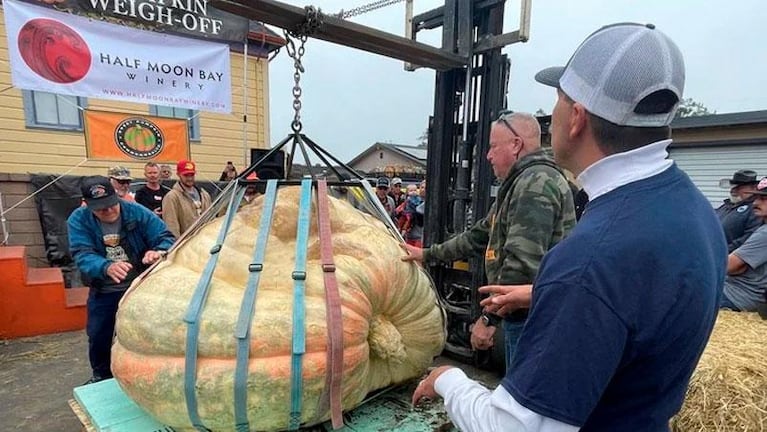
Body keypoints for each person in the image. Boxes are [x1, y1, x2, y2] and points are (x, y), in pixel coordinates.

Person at [413, 23, 726, 431]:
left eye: (558, 99)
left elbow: (517, 427)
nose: (551, 115)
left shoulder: (590, 260)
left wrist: (450, 381)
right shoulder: (694, 212)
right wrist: (541, 291)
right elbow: (637, 304)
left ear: (577, 117)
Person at [403, 111, 575, 368]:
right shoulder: (521, 183)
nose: (488, 155)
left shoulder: (534, 184)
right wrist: (427, 254)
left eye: (493, 146)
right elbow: (479, 235)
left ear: (516, 145)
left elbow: (521, 266)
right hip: (527, 314)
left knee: (522, 397)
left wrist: (487, 321)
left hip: (531, 318)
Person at [68, 176, 175, 384]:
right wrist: (105, 266)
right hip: (104, 289)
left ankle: (148, 377)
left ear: (116, 196)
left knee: (148, 333)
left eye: (110, 204)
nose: (107, 211)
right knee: (99, 334)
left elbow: (165, 237)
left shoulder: (137, 212)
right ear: (87, 204)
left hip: (139, 287)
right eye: (100, 208)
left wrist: (157, 251)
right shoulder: (78, 220)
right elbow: (81, 253)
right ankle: (101, 376)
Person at [721, 177, 767, 312]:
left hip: (737, 296)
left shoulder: (764, 234)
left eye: (763, 199)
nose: (755, 203)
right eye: (756, 198)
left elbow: (730, 266)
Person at [162, 160, 212, 238]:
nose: (189, 178)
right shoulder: (171, 197)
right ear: (178, 174)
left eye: (192, 175)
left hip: (205, 242)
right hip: (186, 246)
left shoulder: (204, 195)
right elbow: (171, 226)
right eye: (186, 175)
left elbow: (211, 220)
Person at [715, 169, 762, 252]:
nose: (733, 190)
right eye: (733, 187)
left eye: (739, 187)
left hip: (729, 257)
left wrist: (721, 251)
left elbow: (747, 239)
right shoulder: (726, 205)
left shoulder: (756, 209)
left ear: (753, 188)